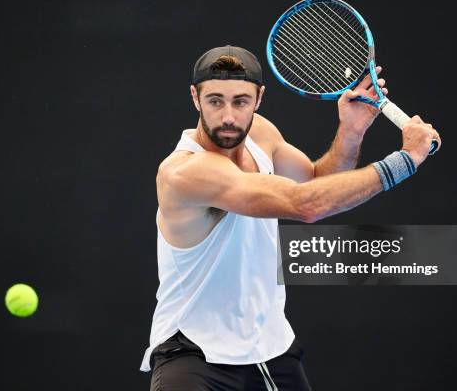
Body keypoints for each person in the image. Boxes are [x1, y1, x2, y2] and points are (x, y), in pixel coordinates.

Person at [141, 45, 441, 390]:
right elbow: (306, 205)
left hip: (270, 349)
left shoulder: (261, 134)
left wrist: (352, 130)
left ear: (258, 99)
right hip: (194, 356)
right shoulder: (184, 173)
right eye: (215, 101)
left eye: (240, 101)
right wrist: (405, 160)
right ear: (195, 98)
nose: (227, 116)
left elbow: (317, 182)